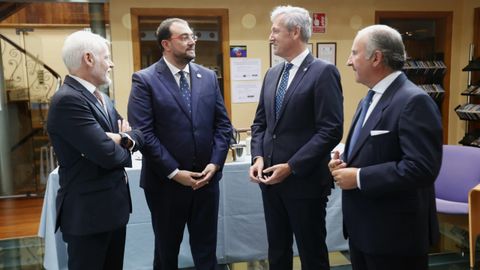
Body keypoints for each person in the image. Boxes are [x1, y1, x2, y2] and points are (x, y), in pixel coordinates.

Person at [329, 24, 442, 270]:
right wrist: (344, 160)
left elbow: (422, 168)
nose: (349, 61)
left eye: (354, 53)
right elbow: (372, 150)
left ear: (377, 57)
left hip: (395, 237)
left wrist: (358, 177)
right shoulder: (367, 99)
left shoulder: (414, 101)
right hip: (364, 231)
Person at [127, 18, 232, 270]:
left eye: (192, 35)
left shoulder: (207, 77)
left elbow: (223, 126)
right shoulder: (145, 80)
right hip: (166, 185)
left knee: (206, 253)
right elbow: (145, 134)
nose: (192, 40)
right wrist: (175, 172)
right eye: (184, 37)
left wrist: (215, 164)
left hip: (206, 182)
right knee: (166, 253)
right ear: (166, 44)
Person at [249, 6, 343, 270]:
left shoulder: (323, 72)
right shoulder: (272, 74)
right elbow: (260, 123)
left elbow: (331, 130)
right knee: (277, 251)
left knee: (312, 253)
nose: (270, 37)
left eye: (275, 31)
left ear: (295, 31)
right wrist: (257, 156)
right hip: (270, 182)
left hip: (305, 183)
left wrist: (291, 167)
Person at [47, 30, 143, 270]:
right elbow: (108, 156)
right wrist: (122, 142)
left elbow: (138, 134)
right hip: (88, 216)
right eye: (106, 57)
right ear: (89, 58)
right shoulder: (68, 100)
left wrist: (120, 138)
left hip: (112, 210)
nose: (111, 64)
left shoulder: (101, 98)